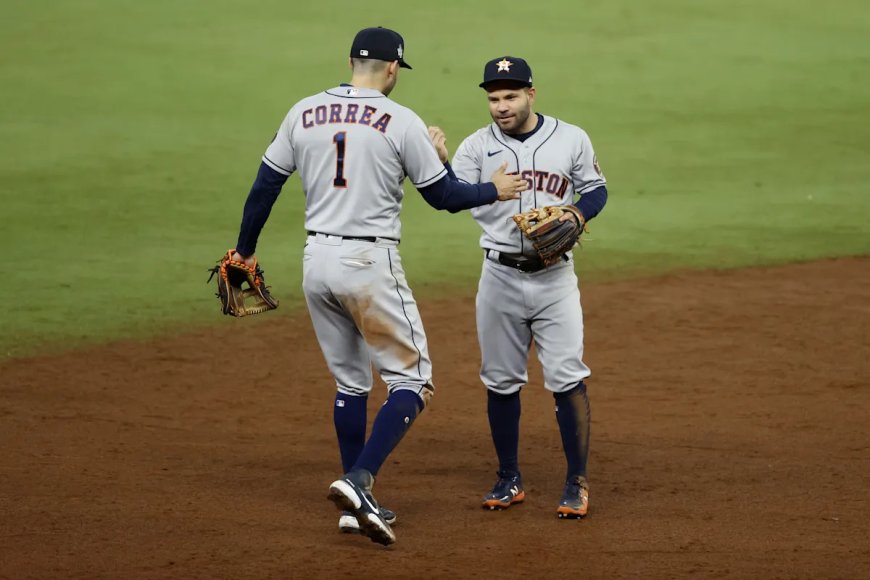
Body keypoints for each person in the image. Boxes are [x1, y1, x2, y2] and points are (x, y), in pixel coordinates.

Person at [227, 30, 526, 545]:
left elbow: (264, 185)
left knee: (350, 384)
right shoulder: (400, 120)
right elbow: (445, 197)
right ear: (392, 69)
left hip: (316, 261)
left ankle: (355, 506)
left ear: (351, 61)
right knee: (413, 381)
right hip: (368, 264)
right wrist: (492, 189)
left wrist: (245, 251)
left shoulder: (303, 112)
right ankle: (359, 480)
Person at [434, 55, 608, 519]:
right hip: (499, 277)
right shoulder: (476, 146)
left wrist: (577, 212)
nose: (502, 106)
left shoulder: (571, 138)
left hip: (555, 279)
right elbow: (450, 198)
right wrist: (444, 164)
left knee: (567, 376)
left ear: (531, 94)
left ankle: (576, 481)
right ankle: (508, 476)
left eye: (510, 96)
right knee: (500, 380)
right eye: (494, 98)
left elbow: (596, 189)